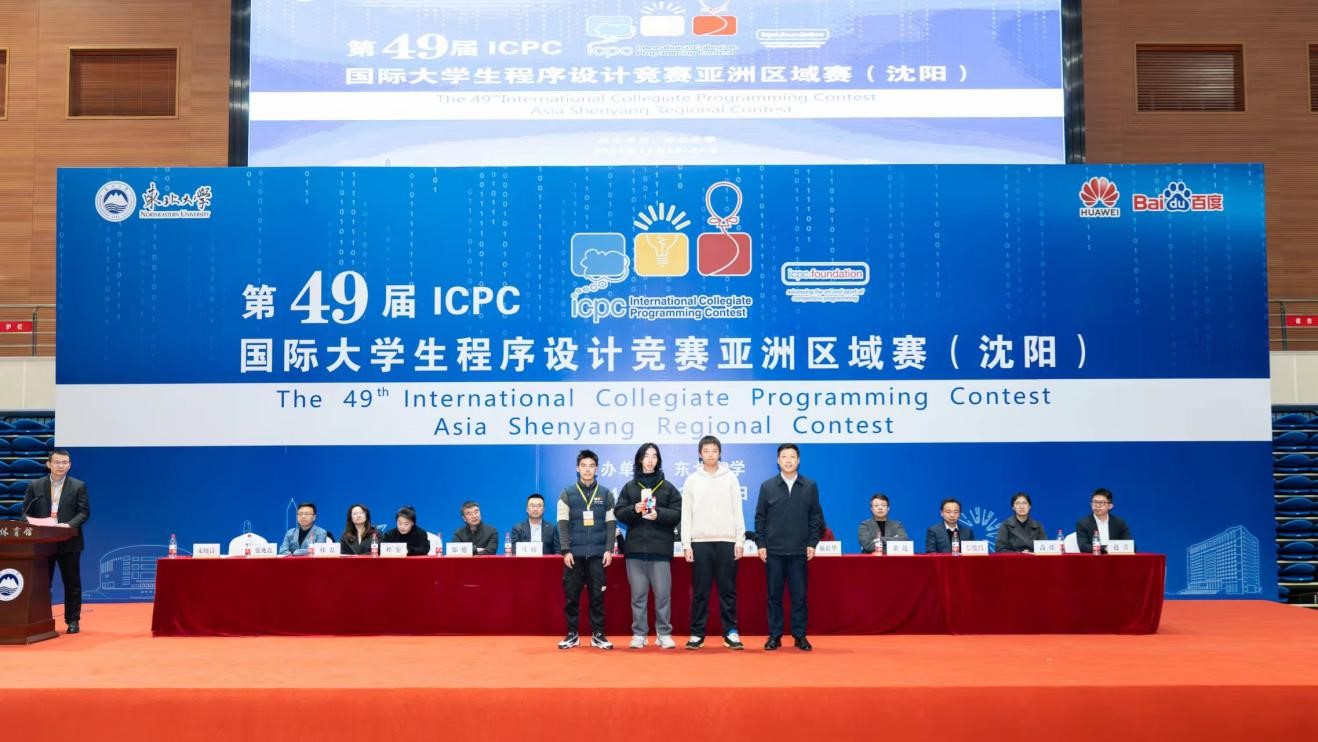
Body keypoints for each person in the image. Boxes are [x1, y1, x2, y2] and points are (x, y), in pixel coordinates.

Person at [680, 435, 746, 650]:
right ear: (700, 454)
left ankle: (731, 632)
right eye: (706, 451)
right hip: (700, 543)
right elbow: (686, 514)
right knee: (700, 591)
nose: (710, 455)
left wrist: (739, 540)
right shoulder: (692, 480)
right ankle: (697, 633)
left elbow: (738, 510)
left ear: (720, 453)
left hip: (727, 541)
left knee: (728, 590)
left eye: (714, 451)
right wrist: (686, 544)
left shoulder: (731, 478)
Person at [754, 443, 822, 652]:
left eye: (792, 456)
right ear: (778, 460)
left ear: (798, 460)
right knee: (774, 597)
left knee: (799, 597)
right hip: (774, 551)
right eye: (784, 457)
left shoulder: (809, 486)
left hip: (799, 551)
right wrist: (761, 544)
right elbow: (760, 518)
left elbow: (815, 517)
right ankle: (774, 636)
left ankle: (800, 636)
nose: (788, 460)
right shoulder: (767, 486)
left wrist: (812, 543)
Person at [614, 443, 682, 649]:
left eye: (654, 456)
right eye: (646, 456)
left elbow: (678, 513)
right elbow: (619, 512)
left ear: (658, 460)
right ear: (640, 459)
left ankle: (664, 633)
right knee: (638, 595)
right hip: (635, 549)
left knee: (663, 595)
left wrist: (659, 514)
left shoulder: (668, 487)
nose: (650, 460)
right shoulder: (630, 487)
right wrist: (634, 509)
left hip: (660, 550)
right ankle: (639, 634)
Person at [22, 449, 89, 634]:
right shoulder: (35, 485)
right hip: (43, 543)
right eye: (57, 462)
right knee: (42, 584)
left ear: (70, 465)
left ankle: (73, 620)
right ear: (49, 464)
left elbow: (84, 512)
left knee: (72, 583)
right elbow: (25, 513)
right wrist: (36, 524)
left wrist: (68, 525)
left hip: (69, 541)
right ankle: (40, 619)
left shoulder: (78, 486)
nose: (61, 466)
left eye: (65, 462)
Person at [557, 449, 617, 650]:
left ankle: (598, 635)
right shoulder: (567, 494)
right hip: (574, 556)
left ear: (597, 469)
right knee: (571, 598)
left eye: (591, 466)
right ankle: (572, 634)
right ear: (577, 468)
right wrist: (565, 550)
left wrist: (608, 549)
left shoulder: (606, 494)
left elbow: (611, 525)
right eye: (583, 466)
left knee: (597, 598)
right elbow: (562, 524)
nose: (587, 469)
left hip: (598, 556)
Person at [1076, 488, 1132, 554]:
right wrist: (1105, 548)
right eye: (1094, 502)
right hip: (1093, 558)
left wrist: (1111, 548)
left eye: (1101, 502)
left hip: (1114, 558)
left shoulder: (1119, 523)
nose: (1097, 505)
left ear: (1110, 506)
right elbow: (1083, 547)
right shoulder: (1083, 523)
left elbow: (1131, 546)